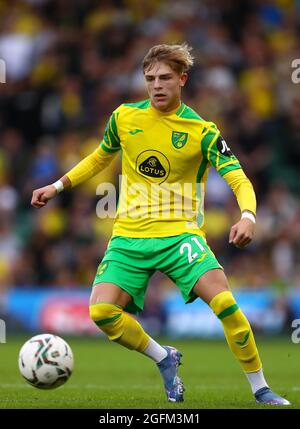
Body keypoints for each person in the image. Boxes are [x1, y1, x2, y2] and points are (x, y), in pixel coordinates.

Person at [31, 43, 290, 406]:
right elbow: (99, 157)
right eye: (150, 78)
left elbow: (239, 179)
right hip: (129, 235)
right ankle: (163, 357)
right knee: (101, 313)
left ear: (182, 79)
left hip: (179, 235)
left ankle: (261, 388)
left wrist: (247, 215)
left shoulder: (202, 130)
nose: (156, 85)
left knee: (227, 306)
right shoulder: (124, 117)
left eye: (165, 78)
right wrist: (57, 186)